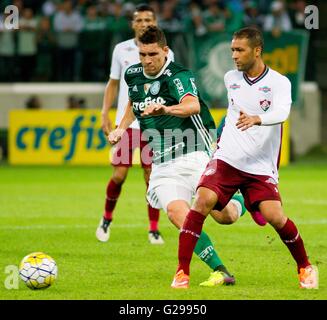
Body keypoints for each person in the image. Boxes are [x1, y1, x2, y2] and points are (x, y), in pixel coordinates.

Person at [171, 27, 319, 289]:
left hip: (260, 164)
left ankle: (305, 267)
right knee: (202, 200)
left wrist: (257, 119)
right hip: (228, 157)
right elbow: (233, 111)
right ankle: (182, 272)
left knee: (274, 216)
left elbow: (283, 112)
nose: (234, 56)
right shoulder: (231, 78)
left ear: (257, 50)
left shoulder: (279, 83)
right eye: (232, 50)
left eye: (239, 50)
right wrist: (220, 137)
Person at [107, 25, 248, 286]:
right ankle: (220, 270)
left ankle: (241, 192)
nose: (147, 61)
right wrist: (121, 128)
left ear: (165, 51)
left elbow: (192, 104)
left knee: (224, 216)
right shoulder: (133, 75)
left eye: (153, 55)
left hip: (194, 151)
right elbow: (133, 103)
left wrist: (166, 109)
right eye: (142, 55)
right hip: (162, 161)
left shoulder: (178, 75)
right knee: (175, 212)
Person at [96, 4, 173, 245]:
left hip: (154, 125)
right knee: (119, 174)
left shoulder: (164, 52)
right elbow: (113, 83)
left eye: (148, 19)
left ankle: (153, 228)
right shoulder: (122, 49)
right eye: (139, 20)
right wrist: (104, 113)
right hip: (126, 123)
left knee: (151, 176)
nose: (143, 23)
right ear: (133, 24)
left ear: (155, 22)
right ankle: (106, 219)